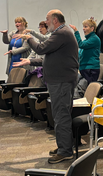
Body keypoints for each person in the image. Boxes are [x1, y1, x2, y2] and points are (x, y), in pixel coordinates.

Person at [13, 10, 79, 164]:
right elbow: (51, 58)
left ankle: (65, 151)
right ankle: (64, 145)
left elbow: (41, 49)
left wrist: (29, 38)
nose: (46, 22)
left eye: (47, 19)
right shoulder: (61, 33)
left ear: (55, 20)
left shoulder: (61, 33)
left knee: (61, 116)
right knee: (59, 115)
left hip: (61, 82)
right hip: (59, 81)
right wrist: (30, 62)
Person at [71, 19, 101, 84]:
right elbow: (79, 53)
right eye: (83, 27)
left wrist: (76, 31)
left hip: (91, 69)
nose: (83, 29)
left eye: (85, 27)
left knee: (88, 91)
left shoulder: (95, 39)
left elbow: (81, 45)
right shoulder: (87, 40)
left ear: (92, 28)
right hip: (84, 68)